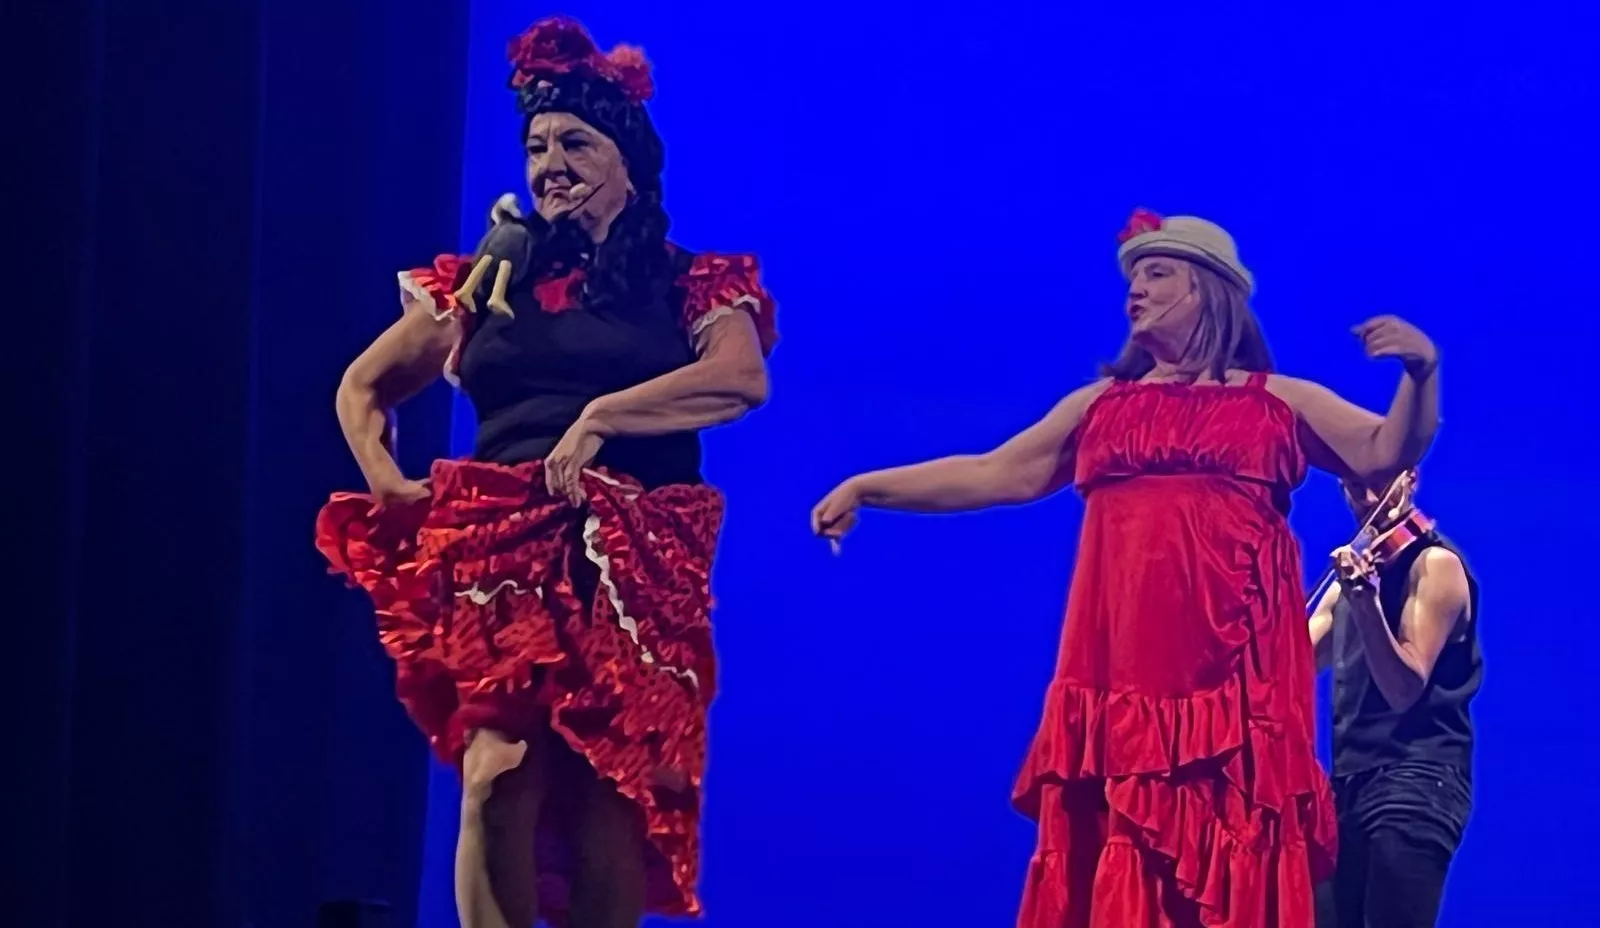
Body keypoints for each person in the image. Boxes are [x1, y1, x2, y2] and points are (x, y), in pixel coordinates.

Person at [811, 209, 1441, 927]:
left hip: (1232, 675)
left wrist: (1421, 371)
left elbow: (1385, 451)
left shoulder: (1278, 400)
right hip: (1123, 669)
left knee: (1228, 833)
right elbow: (995, 472)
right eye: (1131, 279)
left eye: (1156, 273)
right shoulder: (1100, 407)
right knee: (1123, 842)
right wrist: (870, 487)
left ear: (1207, 288)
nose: (1134, 291)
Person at [315, 17, 778, 928]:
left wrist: (603, 417)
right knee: (499, 769)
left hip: (636, 551)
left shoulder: (689, 281)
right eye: (536, 147)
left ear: (627, 161)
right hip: (504, 544)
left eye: (575, 143)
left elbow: (739, 378)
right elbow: (363, 386)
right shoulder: (486, 282)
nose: (550, 164)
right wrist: (386, 479)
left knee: (608, 786)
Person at [1308, 472, 1478, 928]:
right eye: (1354, 486)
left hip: (1416, 778)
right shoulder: (1351, 578)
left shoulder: (1435, 565)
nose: (1368, 499)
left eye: (1380, 483)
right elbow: (1291, 661)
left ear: (1410, 479)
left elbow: (1404, 688)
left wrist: (1367, 603)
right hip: (1348, 783)